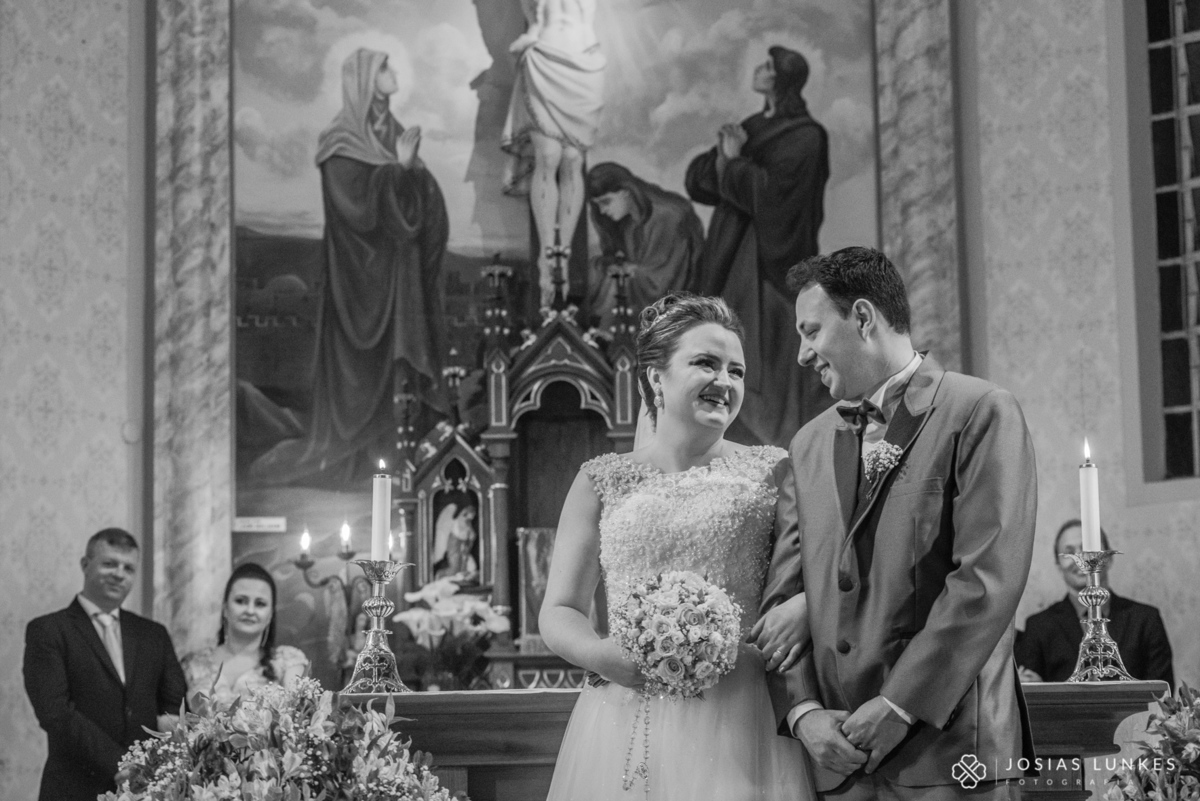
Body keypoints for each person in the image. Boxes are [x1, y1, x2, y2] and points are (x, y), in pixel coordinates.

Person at [755, 247, 1037, 799]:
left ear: (862, 317)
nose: (801, 354)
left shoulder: (979, 410)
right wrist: (805, 713)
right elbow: (781, 598)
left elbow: (986, 581)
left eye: (811, 331)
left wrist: (898, 704)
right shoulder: (807, 445)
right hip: (840, 762)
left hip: (953, 751)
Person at [540, 293, 816, 800]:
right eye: (706, 364)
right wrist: (602, 656)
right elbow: (559, 610)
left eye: (736, 370)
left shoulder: (773, 472)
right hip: (626, 715)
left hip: (743, 712)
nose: (725, 383)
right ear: (655, 377)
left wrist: (805, 606)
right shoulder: (600, 480)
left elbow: (824, 572)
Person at [249, 48, 450, 488]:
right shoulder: (340, 142)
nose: (393, 72)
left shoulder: (393, 133)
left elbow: (420, 214)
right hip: (359, 287)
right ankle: (356, 459)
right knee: (360, 373)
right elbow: (356, 212)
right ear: (363, 78)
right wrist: (398, 170)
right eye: (384, 67)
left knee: (404, 377)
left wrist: (411, 172)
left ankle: (406, 457)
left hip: (400, 285)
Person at [685, 46, 831, 447]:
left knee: (766, 350)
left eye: (768, 67)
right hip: (733, 256)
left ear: (781, 79)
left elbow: (776, 200)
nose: (758, 69)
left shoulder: (805, 137)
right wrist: (722, 160)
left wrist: (731, 163)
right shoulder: (754, 127)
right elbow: (701, 180)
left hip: (767, 265)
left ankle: (774, 444)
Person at [23, 528, 187, 801]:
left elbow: (175, 705)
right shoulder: (48, 630)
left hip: (147, 788)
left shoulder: (153, 634)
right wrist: (122, 764)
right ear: (85, 565)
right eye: (109, 563)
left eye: (128, 568)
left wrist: (154, 765)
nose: (119, 574)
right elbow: (54, 711)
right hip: (74, 787)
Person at [502, 0, 606, 306]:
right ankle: (547, 257)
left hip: (585, 60)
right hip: (544, 55)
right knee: (548, 156)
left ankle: (566, 252)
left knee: (573, 159)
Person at [1015, 519, 1174, 686]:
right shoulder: (1038, 626)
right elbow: (1030, 697)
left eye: (1087, 549)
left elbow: (1162, 692)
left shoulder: (1145, 620)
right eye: (1069, 553)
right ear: (1058, 566)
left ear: (1109, 558)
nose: (1080, 559)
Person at [584, 161, 703, 332]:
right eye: (597, 205)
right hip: (641, 295)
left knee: (617, 279)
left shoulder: (667, 217)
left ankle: (605, 334)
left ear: (626, 192)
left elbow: (662, 280)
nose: (602, 211)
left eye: (606, 202)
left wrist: (627, 270)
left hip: (670, 307)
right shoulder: (626, 223)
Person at [181, 563, 309, 709]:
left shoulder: (287, 661)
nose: (250, 610)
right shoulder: (193, 664)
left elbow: (299, 718)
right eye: (241, 601)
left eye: (260, 604)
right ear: (225, 609)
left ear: (270, 615)